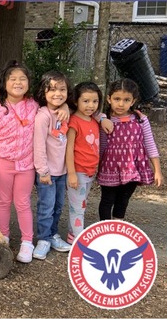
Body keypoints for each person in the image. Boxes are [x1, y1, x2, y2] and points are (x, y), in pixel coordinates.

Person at [0, 61, 70, 264]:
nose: (18, 82)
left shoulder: (34, 105)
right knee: (3, 201)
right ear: (4, 83)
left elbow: (54, 101)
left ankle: (27, 241)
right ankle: (3, 236)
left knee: (23, 203)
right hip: (3, 162)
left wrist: (65, 105)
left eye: (22, 78)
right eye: (12, 78)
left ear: (29, 83)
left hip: (26, 164)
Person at [97, 78, 163, 221]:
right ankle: (104, 231)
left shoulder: (140, 120)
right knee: (107, 201)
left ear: (133, 102)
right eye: (117, 99)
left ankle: (117, 228)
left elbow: (150, 144)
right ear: (109, 99)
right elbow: (101, 146)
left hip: (133, 167)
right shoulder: (105, 120)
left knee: (123, 200)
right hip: (110, 168)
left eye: (126, 100)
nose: (121, 104)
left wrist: (157, 170)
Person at [32, 71, 75, 260]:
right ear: (43, 92)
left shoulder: (65, 111)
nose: (58, 94)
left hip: (62, 171)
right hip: (47, 172)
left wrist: (65, 105)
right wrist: (43, 171)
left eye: (62, 90)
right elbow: (38, 145)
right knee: (46, 207)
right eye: (52, 90)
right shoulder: (43, 116)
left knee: (58, 206)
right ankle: (43, 238)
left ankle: (53, 234)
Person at [65, 81, 103, 244]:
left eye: (95, 101)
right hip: (78, 172)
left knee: (80, 204)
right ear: (76, 101)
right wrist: (72, 173)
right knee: (78, 208)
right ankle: (80, 240)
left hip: (89, 172)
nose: (91, 105)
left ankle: (72, 234)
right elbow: (69, 148)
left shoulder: (93, 120)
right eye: (86, 101)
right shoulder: (74, 121)